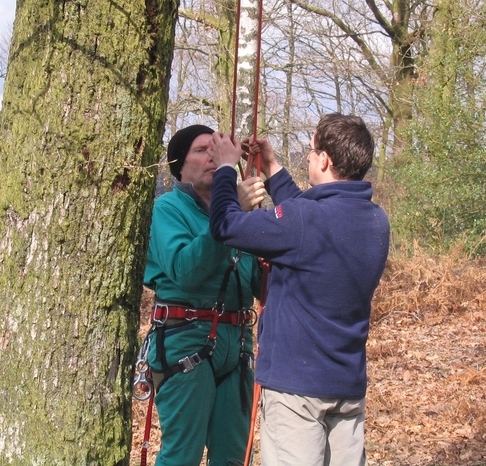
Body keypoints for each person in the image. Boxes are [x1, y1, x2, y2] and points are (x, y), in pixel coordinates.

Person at [207, 113, 390, 466]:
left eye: (311, 150)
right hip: (346, 384)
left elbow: (226, 225)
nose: (307, 156)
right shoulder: (375, 220)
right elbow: (309, 220)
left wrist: (227, 168)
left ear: (325, 160)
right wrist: (272, 167)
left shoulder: (306, 221)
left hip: (296, 389)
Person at [143, 124, 266, 466]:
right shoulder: (168, 209)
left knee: (233, 457)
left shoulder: (240, 214)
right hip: (186, 340)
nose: (212, 156)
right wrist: (230, 213)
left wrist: (266, 230)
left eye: (215, 149)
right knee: (182, 456)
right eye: (201, 150)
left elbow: (261, 287)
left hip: (237, 345)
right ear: (179, 166)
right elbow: (185, 269)